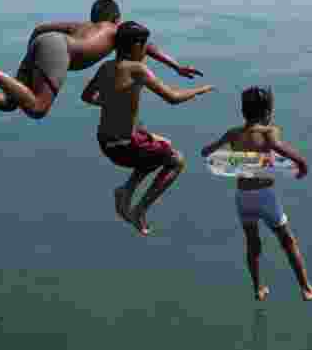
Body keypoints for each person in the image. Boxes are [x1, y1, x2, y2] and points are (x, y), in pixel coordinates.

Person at [0, 0, 203, 122]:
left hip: (44, 43)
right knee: (37, 108)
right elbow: (148, 45)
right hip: (59, 49)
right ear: (116, 18)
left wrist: (32, 60)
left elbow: (40, 29)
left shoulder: (81, 25)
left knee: (13, 103)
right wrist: (175, 66)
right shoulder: (116, 30)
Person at [81, 21, 214, 236]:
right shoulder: (137, 70)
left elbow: (86, 96)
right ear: (136, 47)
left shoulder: (105, 67)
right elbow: (173, 98)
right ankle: (139, 210)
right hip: (124, 147)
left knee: (161, 145)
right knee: (176, 160)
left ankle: (126, 191)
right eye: (144, 45)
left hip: (106, 142)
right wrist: (199, 91)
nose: (146, 50)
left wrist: (111, 104)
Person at [201, 86, 312, 302]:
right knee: (287, 241)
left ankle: (258, 288)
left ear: (243, 111)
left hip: (242, 197)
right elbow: (278, 147)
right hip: (265, 195)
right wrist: (301, 162)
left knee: (252, 243)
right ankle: (307, 289)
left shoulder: (233, 133)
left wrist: (231, 158)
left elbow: (206, 152)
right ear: (268, 112)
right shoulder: (269, 131)